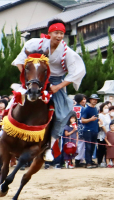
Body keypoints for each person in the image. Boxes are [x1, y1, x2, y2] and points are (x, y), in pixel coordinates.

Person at [11, 20, 86, 159]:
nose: (59, 36)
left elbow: (77, 72)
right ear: (49, 33)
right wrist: (27, 79)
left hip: (55, 82)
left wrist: (58, 87)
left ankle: (50, 146)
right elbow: (20, 61)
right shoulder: (34, 44)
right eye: (56, 32)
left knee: (62, 114)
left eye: (61, 33)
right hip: (36, 79)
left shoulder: (67, 52)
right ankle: (4, 130)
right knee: (16, 99)